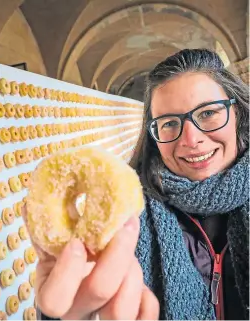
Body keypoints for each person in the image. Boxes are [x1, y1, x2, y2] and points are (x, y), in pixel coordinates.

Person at [24, 48, 249, 320]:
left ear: (237, 112)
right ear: (153, 135)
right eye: (168, 123)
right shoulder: (124, 221)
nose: (191, 139)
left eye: (208, 113)